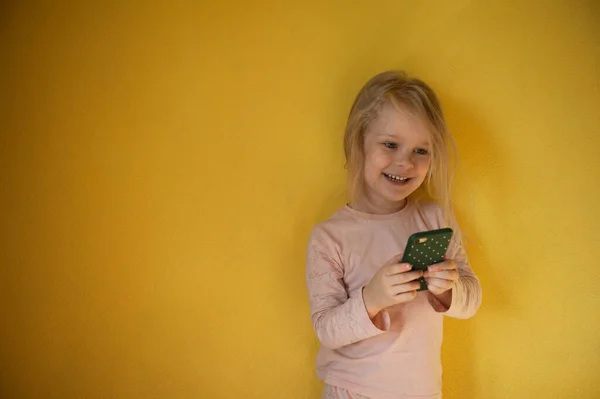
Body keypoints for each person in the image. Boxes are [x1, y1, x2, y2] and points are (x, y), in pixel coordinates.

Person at [305, 70, 482, 399]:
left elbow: (471, 301)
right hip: (351, 392)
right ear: (359, 141)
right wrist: (371, 298)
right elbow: (326, 329)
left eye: (421, 151)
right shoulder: (329, 237)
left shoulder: (435, 219)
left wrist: (447, 289)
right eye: (390, 144)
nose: (405, 163)